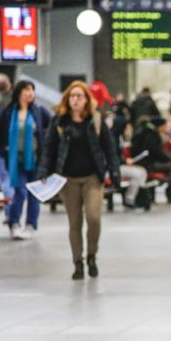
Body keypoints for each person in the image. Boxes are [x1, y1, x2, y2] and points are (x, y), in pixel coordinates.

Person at [39, 81, 121, 280]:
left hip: (93, 177)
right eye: (72, 96)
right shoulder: (59, 122)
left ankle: (92, 255)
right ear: (67, 99)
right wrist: (44, 170)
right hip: (68, 179)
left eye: (79, 96)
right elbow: (49, 149)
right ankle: (78, 262)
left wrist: (114, 171)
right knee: (74, 222)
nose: (75, 100)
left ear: (86, 100)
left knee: (93, 218)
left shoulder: (96, 120)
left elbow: (109, 148)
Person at [0, 80, 50, 239]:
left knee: (34, 194)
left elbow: (51, 128)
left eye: (32, 90)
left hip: (35, 160)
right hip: (15, 160)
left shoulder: (38, 111)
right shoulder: (8, 112)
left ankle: (31, 224)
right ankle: (14, 222)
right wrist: (4, 152)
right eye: (27, 90)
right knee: (20, 191)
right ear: (19, 93)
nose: (30, 93)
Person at [131, 117, 171, 203]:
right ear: (159, 126)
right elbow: (157, 153)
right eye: (165, 126)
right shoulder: (151, 136)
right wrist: (170, 160)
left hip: (149, 162)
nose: (166, 128)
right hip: (148, 164)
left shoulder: (149, 133)